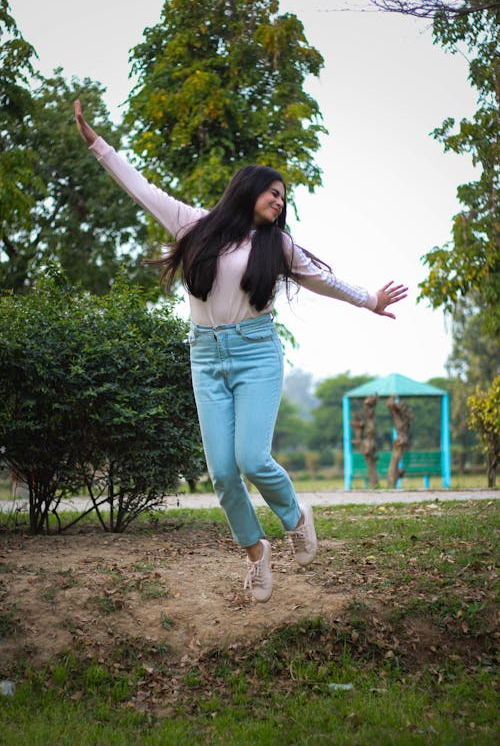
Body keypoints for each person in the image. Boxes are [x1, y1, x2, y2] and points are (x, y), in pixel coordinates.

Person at [74, 99, 408, 603]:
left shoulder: (280, 246)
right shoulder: (193, 225)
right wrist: (97, 144)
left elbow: (324, 281)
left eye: (283, 197)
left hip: (256, 355)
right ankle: (257, 558)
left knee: (251, 458)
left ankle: (296, 516)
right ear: (249, 190)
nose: (279, 201)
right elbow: (140, 188)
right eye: (273, 192)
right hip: (205, 357)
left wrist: (370, 300)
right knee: (223, 473)